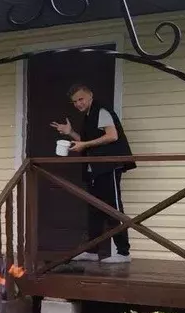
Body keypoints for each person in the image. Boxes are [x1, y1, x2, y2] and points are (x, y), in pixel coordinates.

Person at [50, 83, 135, 263]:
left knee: (113, 208)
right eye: (74, 102)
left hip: (108, 166)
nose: (78, 104)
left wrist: (84, 145)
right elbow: (85, 141)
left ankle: (123, 253)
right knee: (95, 209)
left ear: (90, 96)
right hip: (95, 169)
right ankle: (92, 251)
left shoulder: (102, 110)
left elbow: (112, 136)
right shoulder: (88, 116)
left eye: (81, 99)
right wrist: (70, 132)